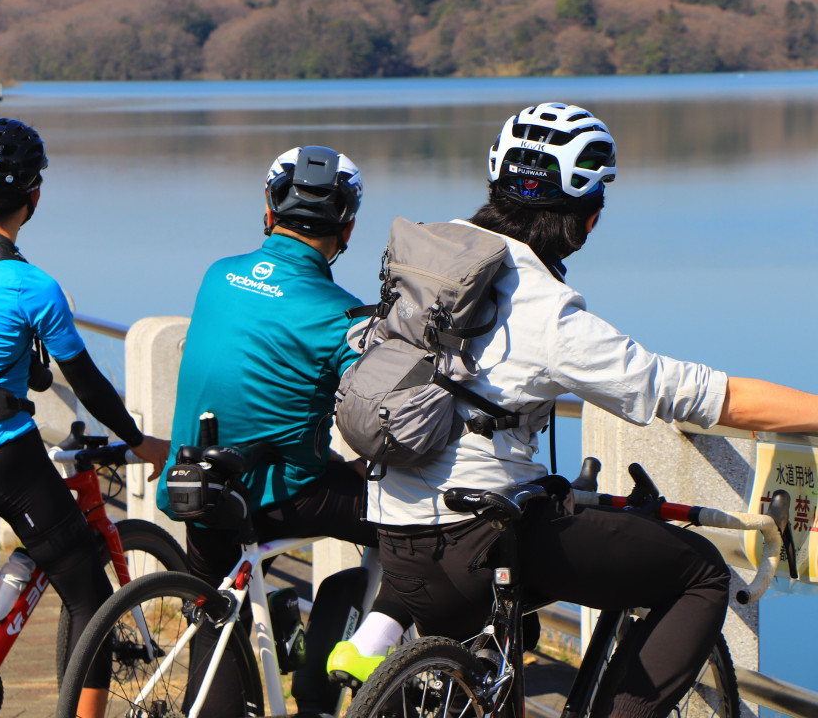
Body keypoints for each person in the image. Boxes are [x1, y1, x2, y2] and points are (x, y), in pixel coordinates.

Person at [343, 102, 818, 718]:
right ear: (584, 218)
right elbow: (689, 392)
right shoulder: (543, 306)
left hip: (398, 544)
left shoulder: (431, 265)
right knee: (699, 572)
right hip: (479, 545)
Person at [0, 117, 169, 718]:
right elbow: (89, 383)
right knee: (92, 597)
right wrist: (140, 441)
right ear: (35, 198)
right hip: (5, 458)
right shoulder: (33, 286)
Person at [155, 145, 409, 709]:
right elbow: (384, 408)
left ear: (269, 211)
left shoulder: (218, 275)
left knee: (215, 624)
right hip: (279, 491)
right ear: (346, 228)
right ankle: (328, 669)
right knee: (420, 532)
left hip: (197, 482)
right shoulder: (343, 316)